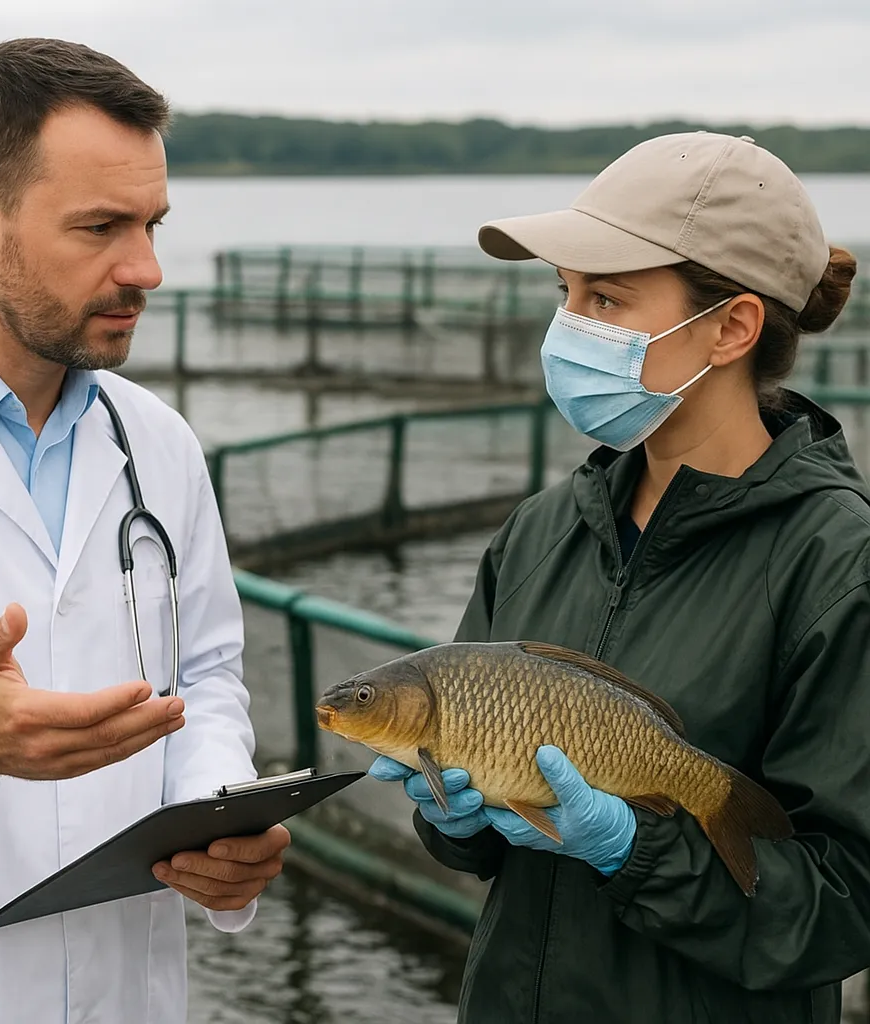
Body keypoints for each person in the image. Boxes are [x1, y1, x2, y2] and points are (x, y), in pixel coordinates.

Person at [370, 131, 870, 1022]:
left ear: (731, 326)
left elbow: (841, 908)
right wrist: (455, 822)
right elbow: (492, 844)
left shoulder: (838, 564)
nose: (568, 327)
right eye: (565, 294)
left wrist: (635, 849)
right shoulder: (542, 530)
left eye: (606, 296)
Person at [0, 38, 289, 1024]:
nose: (148, 268)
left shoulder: (159, 445)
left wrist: (222, 811)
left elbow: (207, 673)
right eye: (99, 227)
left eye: (152, 223)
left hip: (128, 992)